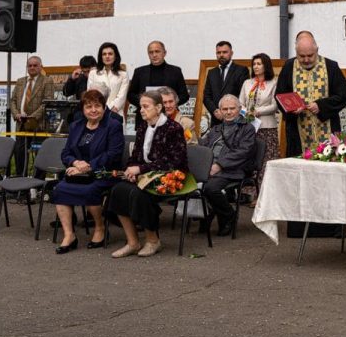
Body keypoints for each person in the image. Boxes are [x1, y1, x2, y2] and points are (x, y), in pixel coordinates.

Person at [276, 34, 346, 238]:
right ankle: (301, 228)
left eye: (310, 55)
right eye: (302, 56)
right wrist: (292, 108)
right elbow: (279, 97)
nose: (307, 60)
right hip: (298, 136)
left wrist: (322, 106)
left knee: (330, 181)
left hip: (327, 134)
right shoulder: (288, 67)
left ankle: (333, 227)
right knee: (301, 181)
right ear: (296, 52)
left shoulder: (331, 67)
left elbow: (344, 95)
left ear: (317, 49)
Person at [108, 91, 188, 258]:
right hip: (147, 173)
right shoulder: (143, 126)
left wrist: (141, 170)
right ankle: (132, 242)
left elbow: (173, 161)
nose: (141, 110)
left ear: (158, 108)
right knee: (117, 190)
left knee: (139, 193)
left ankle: (153, 240)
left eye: (146, 106)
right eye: (140, 107)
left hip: (171, 175)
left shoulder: (174, 128)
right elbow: (136, 155)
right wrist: (130, 169)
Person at [50, 90, 125, 254]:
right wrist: (75, 162)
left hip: (104, 172)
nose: (93, 110)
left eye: (97, 106)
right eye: (88, 106)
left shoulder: (113, 126)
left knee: (91, 190)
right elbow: (66, 153)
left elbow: (113, 154)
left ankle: (100, 228)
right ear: (83, 109)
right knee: (60, 189)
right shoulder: (76, 126)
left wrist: (88, 166)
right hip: (78, 173)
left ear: (104, 107)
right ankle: (69, 235)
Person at [199, 95, 256, 236]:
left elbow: (243, 152)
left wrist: (219, 165)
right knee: (190, 183)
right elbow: (204, 146)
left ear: (240, 109)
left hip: (233, 169)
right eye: (225, 109)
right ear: (220, 111)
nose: (229, 112)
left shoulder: (247, 128)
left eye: (232, 108)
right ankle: (206, 212)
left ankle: (228, 215)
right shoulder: (216, 129)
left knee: (210, 188)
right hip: (210, 167)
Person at [238, 53, 279, 207]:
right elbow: (240, 102)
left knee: (266, 162)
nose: (256, 66)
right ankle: (250, 194)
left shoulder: (273, 83)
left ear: (266, 66)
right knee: (251, 160)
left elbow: (275, 105)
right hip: (250, 127)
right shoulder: (247, 83)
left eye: (259, 64)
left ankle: (265, 195)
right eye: (254, 64)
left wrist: (258, 111)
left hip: (267, 127)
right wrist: (245, 112)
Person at [10, 56, 54, 176]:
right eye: (30, 65)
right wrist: (16, 114)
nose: (32, 67)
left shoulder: (47, 81)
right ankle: (20, 184)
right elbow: (12, 100)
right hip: (20, 124)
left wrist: (31, 118)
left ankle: (38, 185)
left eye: (35, 65)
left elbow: (47, 103)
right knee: (20, 155)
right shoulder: (20, 81)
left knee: (40, 156)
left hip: (38, 125)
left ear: (41, 66)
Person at [127, 41, 189, 126]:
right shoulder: (139, 72)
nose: (154, 55)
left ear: (164, 53)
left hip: (170, 118)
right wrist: (147, 103)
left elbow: (184, 95)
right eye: (151, 52)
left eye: (157, 51)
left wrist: (169, 104)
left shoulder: (175, 71)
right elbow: (130, 95)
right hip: (145, 119)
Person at [203, 41, 250, 127]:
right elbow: (206, 96)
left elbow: (243, 95)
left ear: (231, 53)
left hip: (235, 120)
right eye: (218, 52)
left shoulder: (241, 70)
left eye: (224, 52)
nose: (221, 55)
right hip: (216, 120)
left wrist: (231, 111)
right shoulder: (211, 72)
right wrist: (215, 111)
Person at [88, 42, 129, 122]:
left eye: (110, 54)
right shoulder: (93, 73)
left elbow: (122, 96)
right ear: (100, 56)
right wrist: (99, 109)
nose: (107, 56)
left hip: (115, 112)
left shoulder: (123, 74)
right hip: (96, 113)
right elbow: (90, 94)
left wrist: (108, 110)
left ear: (115, 56)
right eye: (104, 54)